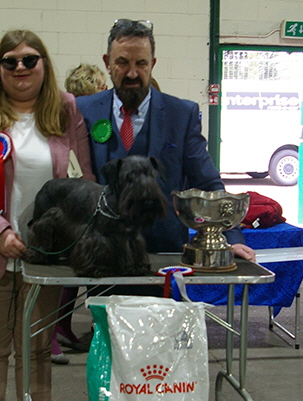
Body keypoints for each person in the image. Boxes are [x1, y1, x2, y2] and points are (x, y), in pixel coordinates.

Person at [0, 30, 95, 401]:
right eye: (9, 61)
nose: (20, 67)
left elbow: (83, 180)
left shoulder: (66, 108)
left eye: (29, 59)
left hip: (46, 255)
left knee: (37, 349)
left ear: (44, 64)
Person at [76, 19, 256, 264]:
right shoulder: (82, 110)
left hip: (164, 254)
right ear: (108, 63)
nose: (132, 73)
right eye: (122, 62)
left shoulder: (181, 114)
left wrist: (231, 238)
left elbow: (206, 182)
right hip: (99, 250)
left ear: (152, 64)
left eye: (141, 63)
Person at [50, 63, 108, 365]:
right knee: (65, 270)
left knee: (77, 269)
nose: (105, 91)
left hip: (87, 194)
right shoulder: (71, 113)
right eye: (101, 86)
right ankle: (49, 332)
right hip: (73, 198)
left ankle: (62, 327)